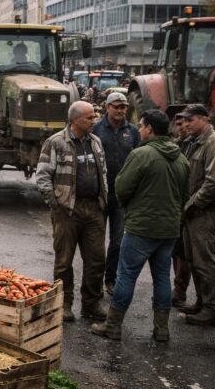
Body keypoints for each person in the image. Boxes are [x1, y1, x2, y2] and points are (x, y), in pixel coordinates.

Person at [90, 110, 189, 341]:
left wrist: (129, 207)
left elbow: (121, 188)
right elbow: (185, 195)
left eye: (142, 126)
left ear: (150, 129)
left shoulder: (141, 154)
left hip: (141, 228)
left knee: (126, 275)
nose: (140, 130)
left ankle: (113, 326)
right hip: (169, 229)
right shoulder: (181, 158)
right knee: (162, 276)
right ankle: (161, 329)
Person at [36, 100, 108, 322]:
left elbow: (103, 172)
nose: (94, 121)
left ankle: (91, 304)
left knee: (97, 260)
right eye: (89, 117)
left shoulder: (95, 142)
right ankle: (64, 304)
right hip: (67, 210)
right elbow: (43, 176)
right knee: (64, 261)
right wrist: (55, 203)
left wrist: (102, 199)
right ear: (76, 120)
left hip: (93, 209)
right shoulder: (56, 142)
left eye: (94, 116)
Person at [180, 103, 215, 326]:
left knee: (205, 260)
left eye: (190, 120)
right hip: (194, 211)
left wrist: (192, 204)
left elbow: (214, 182)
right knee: (194, 260)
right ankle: (202, 302)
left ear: (204, 119)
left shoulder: (214, 144)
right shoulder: (195, 142)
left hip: (205, 211)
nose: (186, 124)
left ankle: (212, 309)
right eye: (185, 120)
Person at [92, 92, 141, 295]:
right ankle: (94, 282)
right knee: (95, 242)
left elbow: (139, 159)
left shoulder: (133, 132)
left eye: (124, 107)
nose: (121, 110)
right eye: (117, 106)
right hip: (99, 195)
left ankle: (110, 280)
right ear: (107, 107)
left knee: (118, 242)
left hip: (121, 197)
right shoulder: (96, 129)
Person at [171, 113, 192, 307]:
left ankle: (180, 289)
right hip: (176, 204)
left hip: (191, 204)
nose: (181, 128)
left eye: (184, 123)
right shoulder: (177, 145)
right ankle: (178, 289)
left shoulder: (197, 144)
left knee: (185, 252)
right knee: (176, 249)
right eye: (177, 124)